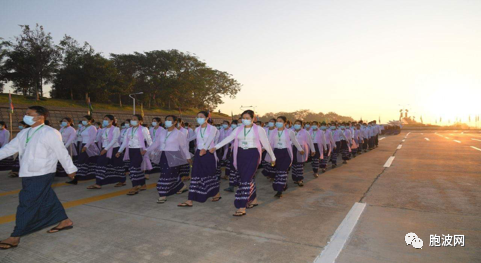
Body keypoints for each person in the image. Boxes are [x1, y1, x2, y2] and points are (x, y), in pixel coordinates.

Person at [0, 106, 77, 250]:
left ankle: (16, 235)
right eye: (26, 113)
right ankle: (65, 221)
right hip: (28, 172)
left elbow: (61, 152)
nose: (25, 116)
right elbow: (9, 148)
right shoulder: (24, 132)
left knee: (27, 202)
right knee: (46, 197)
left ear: (40, 117)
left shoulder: (50, 132)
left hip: (42, 172)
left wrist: (70, 169)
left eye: (29, 114)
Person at [211, 110, 276, 216]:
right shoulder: (238, 129)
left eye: (247, 118)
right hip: (240, 154)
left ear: (253, 119)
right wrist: (215, 147)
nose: (245, 120)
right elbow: (228, 139)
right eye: (243, 118)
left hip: (252, 155)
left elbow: (266, 143)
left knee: (245, 180)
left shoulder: (259, 129)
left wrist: (273, 157)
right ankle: (253, 199)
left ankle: (242, 206)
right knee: (247, 178)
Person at [178, 111, 221, 207]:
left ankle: (216, 193)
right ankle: (190, 199)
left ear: (207, 118)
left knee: (209, 175)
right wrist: (182, 140)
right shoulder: (197, 129)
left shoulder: (213, 128)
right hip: (199, 154)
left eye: (201, 116)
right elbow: (193, 138)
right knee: (195, 174)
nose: (199, 118)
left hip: (208, 154)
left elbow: (211, 139)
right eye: (197, 117)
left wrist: (205, 148)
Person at [145, 115, 192, 203]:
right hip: (163, 156)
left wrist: (188, 157)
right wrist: (147, 150)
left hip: (174, 156)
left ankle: (162, 194)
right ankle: (181, 186)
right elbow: (156, 143)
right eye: (166, 120)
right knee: (170, 174)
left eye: (169, 120)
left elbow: (183, 147)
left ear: (175, 122)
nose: (167, 121)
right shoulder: (163, 132)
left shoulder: (179, 133)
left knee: (166, 175)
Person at [265, 116, 303, 198]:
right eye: (277, 121)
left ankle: (279, 190)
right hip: (276, 153)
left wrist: (300, 149)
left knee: (282, 171)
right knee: (278, 172)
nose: (278, 123)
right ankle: (282, 185)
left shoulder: (290, 132)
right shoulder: (273, 132)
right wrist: (261, 149)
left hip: (286, 153)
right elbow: (268, 142)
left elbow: (295, 141)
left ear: (285, 123)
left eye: (280, 121)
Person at [116, 114, 153, 195]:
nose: (133, 120)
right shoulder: (128, 130)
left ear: (140, 121)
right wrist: (119, 151)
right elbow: (125, 142)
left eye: (135, 119)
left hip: (139, 151)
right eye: (132, 119)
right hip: (130, 150)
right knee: (137, 169)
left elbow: (149, 141)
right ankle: (143, 184)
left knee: (133, 168)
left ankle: (135, 186)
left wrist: (146, 150)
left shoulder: (144, 129)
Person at [88, 115, 126, 189]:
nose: (104, 120)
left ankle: (122, 180)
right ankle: (98, 183)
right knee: (100, 163)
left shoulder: (116, 129)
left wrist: (106, 149)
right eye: (104, 119)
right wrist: (90, 144)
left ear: (112, 121)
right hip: (104, 148)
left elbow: (114, 140)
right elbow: (97, 139)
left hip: (114, 149)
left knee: (117, 165)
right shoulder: (103, 129)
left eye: (106, 119)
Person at [67, 116, 99, 184]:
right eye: (83, 119)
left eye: (85, 119)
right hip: (83, 144)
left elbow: (92, 138)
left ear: (89, 121)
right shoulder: (83, 128)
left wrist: (86, 146)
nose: (83, 121)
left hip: (89, 146)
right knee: (86, 161)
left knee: (81, 161)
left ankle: (76, 178)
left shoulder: (92, 128)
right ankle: (83, 176)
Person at [292, 120, 316, 186]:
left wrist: (313, 150)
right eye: (295, 123)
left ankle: (300, 179)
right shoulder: (291, 132)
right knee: (294, 164)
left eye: (298, 124)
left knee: (299, 164)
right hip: (292, 148)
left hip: (301, 149)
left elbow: (310, 141)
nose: (297, 125)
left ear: (302, 125)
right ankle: (295, 178)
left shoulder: (305, 132)